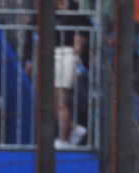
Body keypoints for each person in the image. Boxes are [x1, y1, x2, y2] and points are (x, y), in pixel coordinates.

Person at [55, 0, 89, 147]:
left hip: (65, 57)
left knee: (61, 101)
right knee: (56, 101)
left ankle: (64, 138)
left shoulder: (76, 15)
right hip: (58, 57)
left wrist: (75, 62)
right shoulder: (55, 15)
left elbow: (78, 43)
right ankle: (74, 129)